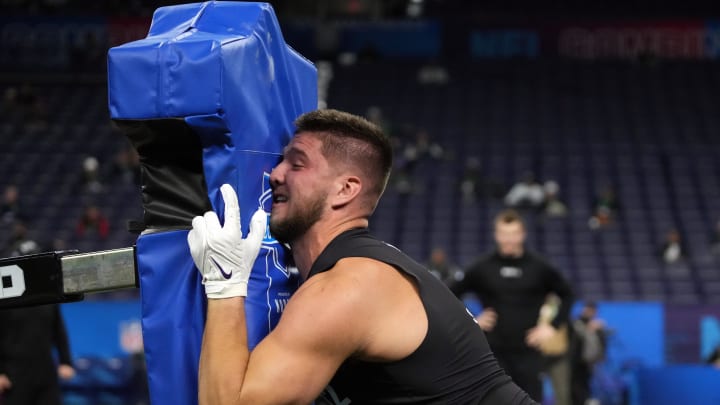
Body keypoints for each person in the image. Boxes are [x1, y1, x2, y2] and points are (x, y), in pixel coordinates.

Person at [187, 109, 537, 404]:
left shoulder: (349, 286)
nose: (275, 174)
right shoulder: (364, 267)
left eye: (296, 164)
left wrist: (224, 283)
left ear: (346, 189)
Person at [452, 208, 575, 402]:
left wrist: (551, 326)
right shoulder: (482, 267)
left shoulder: (539, 267)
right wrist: (472, 320)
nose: (509, 239)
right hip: (492, 354)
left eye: (514, 234)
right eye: (504, 234)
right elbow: (449, 293)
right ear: (496, 235)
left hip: (529, 352)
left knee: (529, 401)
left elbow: (568, 294)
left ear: (522, 234)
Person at [0, 232, 76, 405]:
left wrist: (65, 361)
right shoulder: (4, 297)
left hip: (45, 372)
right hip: (14, 375)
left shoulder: (46, 296)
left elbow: (59, 330)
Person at [570, 301, 609, 405]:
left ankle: (584, 401)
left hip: (588, 361)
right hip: (575, 360)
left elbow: (602, 342)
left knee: (585, 384)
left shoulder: (597, 325)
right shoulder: (576, 323)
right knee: (574, 385)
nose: (590, 312)